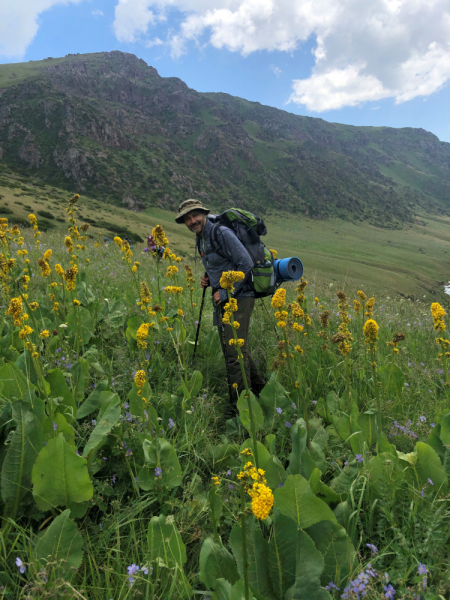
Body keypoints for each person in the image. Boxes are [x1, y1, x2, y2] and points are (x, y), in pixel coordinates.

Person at [175, 198, 265, 418]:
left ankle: (238, 409)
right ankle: (260, 390)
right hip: (224, 299)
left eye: (195, 215)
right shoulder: (201, 239)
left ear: (203, 213)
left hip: (241, 296)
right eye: (187, 218)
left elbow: (246, 263)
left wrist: (224, 291)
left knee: (233, 353)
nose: (192, 220)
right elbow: (219, 263)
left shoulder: (220, 233)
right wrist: (209, 277)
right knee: (237, 349)